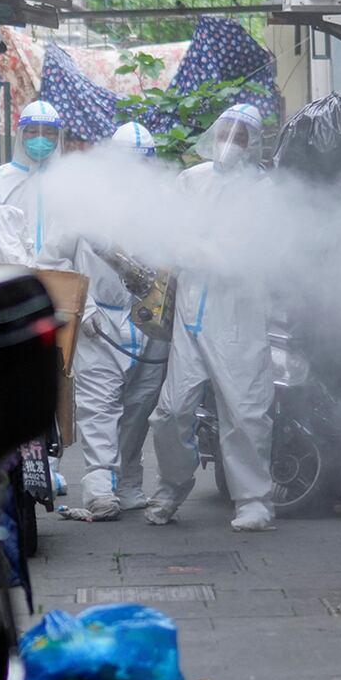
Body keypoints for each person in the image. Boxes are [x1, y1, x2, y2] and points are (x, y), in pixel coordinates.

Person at [144, 104, 280, 532]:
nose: (230, 143)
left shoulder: (264, 191)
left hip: (237, 315)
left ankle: (254, 499)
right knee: (170, 410)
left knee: (245, 411)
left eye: (240, 137)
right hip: (191, 313)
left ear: (252, 144)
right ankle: (171, 485)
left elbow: (265, 249)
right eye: (226, 132)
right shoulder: (192, 180)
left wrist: (217, 255)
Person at [67, 123, 174, 518]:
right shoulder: (87, 204)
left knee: (140, 405)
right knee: (98, 405)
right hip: (101, 320)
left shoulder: (164, 203)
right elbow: (57, 258)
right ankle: (98, 487)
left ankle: (129, 481)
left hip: (150, 323)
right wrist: (86, 306)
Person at [0, 99, 67, 268]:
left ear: (58, 136)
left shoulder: (69, 180)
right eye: (32, 131)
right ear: (21, 134)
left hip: (61, 279)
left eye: (49, 132)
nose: (40, 138)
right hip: (9, 279)